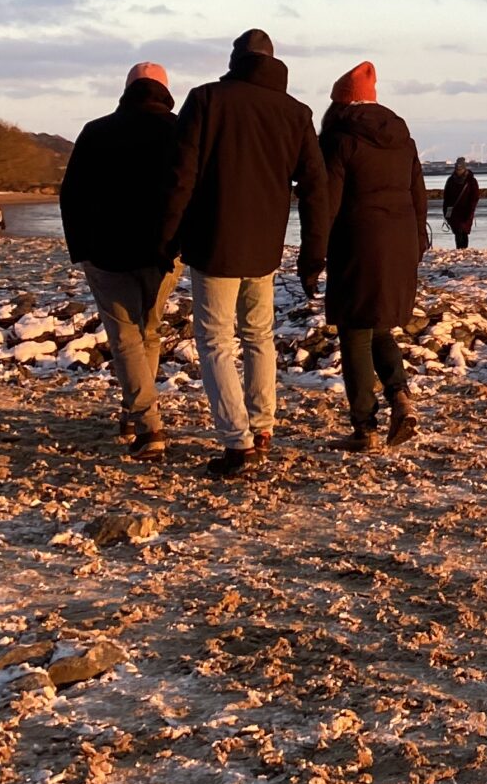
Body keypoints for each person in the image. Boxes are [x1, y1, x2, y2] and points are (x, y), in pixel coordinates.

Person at [160, 29, 329, 481]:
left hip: (214, 243)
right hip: (265, 247)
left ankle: (238, 441)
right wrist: (313, 256)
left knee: (215, 340)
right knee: (259, 336)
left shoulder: (206, 100)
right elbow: (316, 189)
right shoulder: (295, 113)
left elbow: (182, 177)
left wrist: (167, 239)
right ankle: (262, 426)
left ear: (236, 59)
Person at [59, 63, 183, 460]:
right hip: (164, 252)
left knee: (127, 335)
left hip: (106, 249)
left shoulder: (97, 131)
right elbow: (192, 189)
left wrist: (81, 248)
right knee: (148, 329)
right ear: (165, 91)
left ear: (127, 89)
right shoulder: (181, 132)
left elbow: (72, 193)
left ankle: (148, 424)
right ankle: (137, 411)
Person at [306, 61, 428, 452]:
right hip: (400, 242)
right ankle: (401, 400)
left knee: (355, 332)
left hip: (358, 243)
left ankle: (365, 427)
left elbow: (328, 205)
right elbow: (418, 195)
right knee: (379, 327)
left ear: (340, 105)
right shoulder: (402, 138)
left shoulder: (341, 140)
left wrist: (313, 256)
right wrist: (417, 244)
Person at [441, 157, 480, 249]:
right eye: (457, 168)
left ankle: (463, 250)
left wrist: (471, 210)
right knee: (458, 231)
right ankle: (460, 249)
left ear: (464, 168)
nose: (458, 170)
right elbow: (446, 197)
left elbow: (474, 197)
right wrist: (446, 211)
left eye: (460, 168)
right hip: (454, 210)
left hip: (466, 210)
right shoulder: (451, 180)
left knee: (464, 231)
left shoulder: (471, 181)